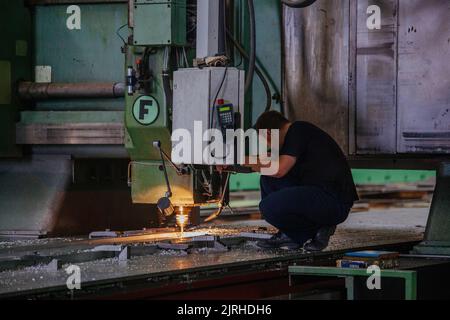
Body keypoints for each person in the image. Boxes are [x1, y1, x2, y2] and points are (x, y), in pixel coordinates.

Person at [242, 111, 358, 251]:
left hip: (334, 202)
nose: (268, 145)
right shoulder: (294, 137)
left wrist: (244, 160)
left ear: (268, 133)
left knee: (267, 207)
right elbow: (267, 162)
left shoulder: (298, 130)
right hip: (319, 196)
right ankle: (295, 234)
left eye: (266, 140)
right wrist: (231, 163)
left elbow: (279, 169)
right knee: (267, 179)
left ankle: (317, 227)